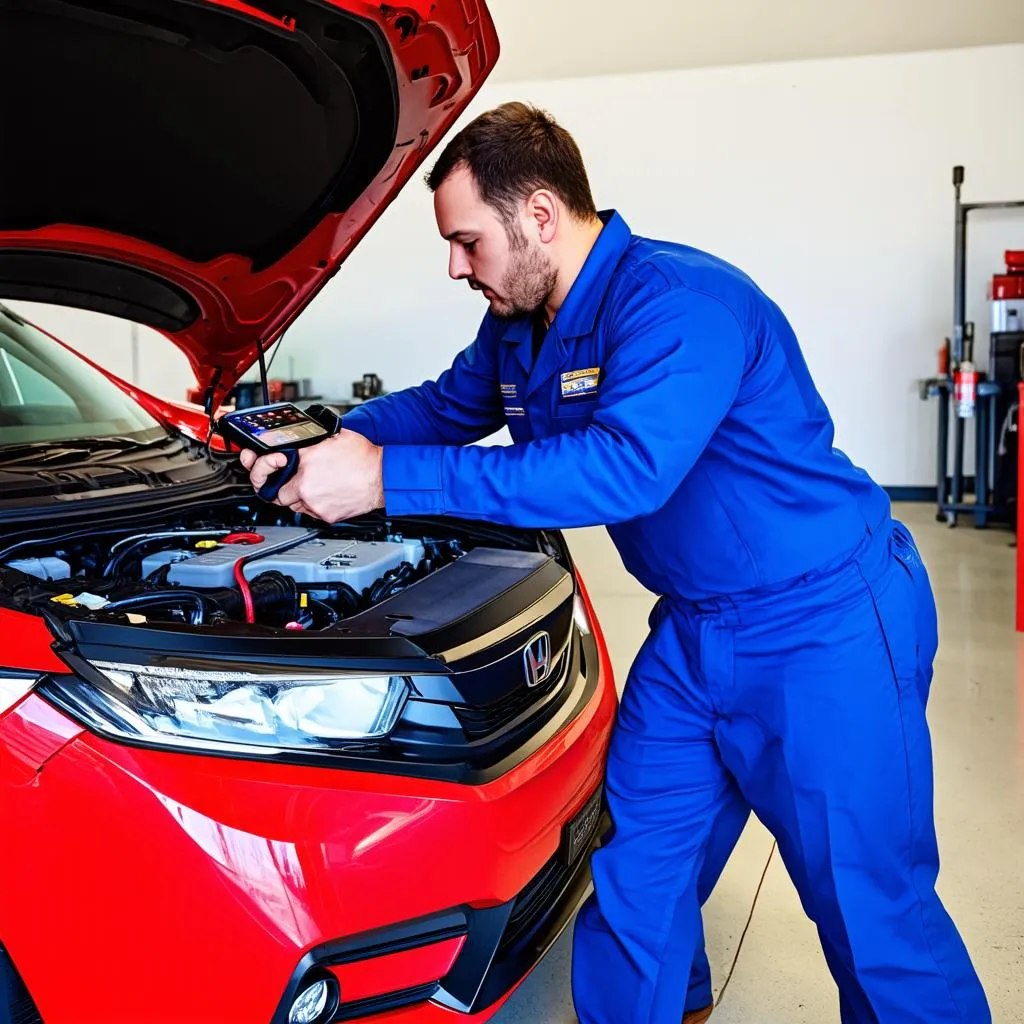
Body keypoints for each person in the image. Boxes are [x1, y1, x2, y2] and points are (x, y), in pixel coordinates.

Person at [241, 102, 990, 1024]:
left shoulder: (682, 307)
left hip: (823, 622)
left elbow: (624, 470)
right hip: (693, 632)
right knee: (638, 871)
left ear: (541, 218)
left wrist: (385, 479)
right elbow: (444, 407)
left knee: (870, 906)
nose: (455, 266)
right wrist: (325, 443)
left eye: (467, 242)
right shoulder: (522, 321)